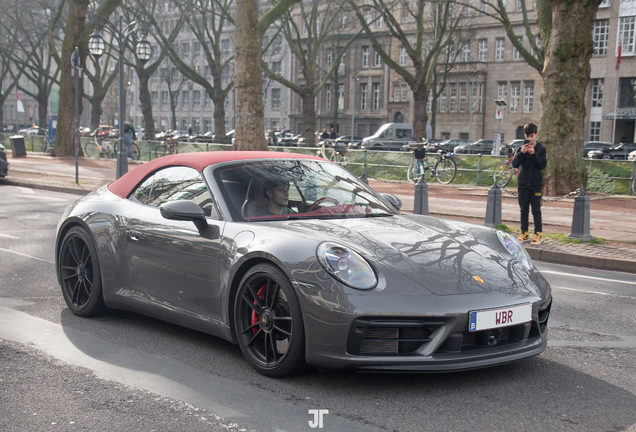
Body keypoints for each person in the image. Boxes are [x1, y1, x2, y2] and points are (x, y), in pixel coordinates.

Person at [511, 122, 548, 245]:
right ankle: (524, 232)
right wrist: (522, 153)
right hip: (523, 184)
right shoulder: (521, 148)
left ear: (536, 134)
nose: (529, 139)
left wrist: (533, 154)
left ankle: (537, 234)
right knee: (523, 210)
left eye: (531, 136)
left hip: (536, 184)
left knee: (536, 210)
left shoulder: (541, 149)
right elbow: (514, 164)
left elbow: (542, 165)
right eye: (527, 136)